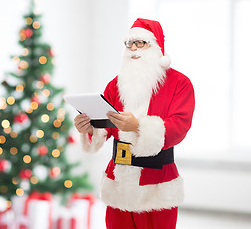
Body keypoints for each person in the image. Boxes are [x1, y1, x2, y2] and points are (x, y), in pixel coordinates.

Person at [74, 18, 195, 229]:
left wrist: (138, 126)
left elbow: (180, 125)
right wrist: (89, 128)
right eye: (129, 43)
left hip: (157, 184)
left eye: (140, 42)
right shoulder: (116, 84)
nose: (133, 48)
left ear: (156, 47)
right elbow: (105, 125)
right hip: (118, 182)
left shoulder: (179, 83)